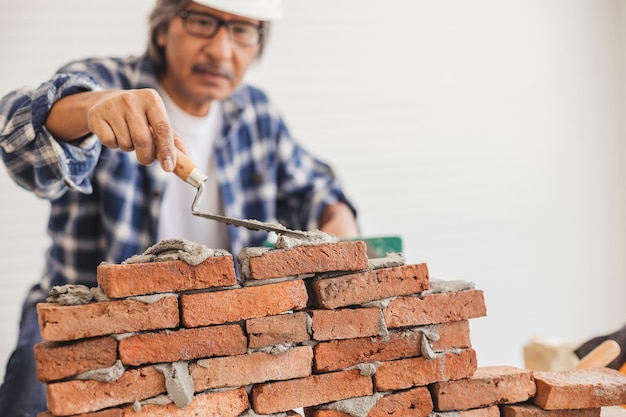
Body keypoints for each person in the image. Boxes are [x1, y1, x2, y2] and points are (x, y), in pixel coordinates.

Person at [0, 0, 359, 415]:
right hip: (84, 324)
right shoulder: (108, 83)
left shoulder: (255, 113)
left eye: (243, 31)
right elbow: (16, 138)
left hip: (213, 331)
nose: (222, 51)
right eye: (203, 22)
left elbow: (318, 189)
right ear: (162, 29)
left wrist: (338, 224)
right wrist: (87, 109)